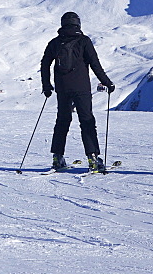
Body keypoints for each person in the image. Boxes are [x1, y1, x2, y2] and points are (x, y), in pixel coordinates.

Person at [40, 12, 115, 172]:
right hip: (81, 88)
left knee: (62, 121)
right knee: (87, 121)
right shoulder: (84, 41)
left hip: (62, 88)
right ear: (78, 24)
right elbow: (95, 64)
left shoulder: (54, 43)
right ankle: (93, 158)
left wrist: (46, 86)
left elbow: (45, 63)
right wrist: (107, 83)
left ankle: (57, 157)